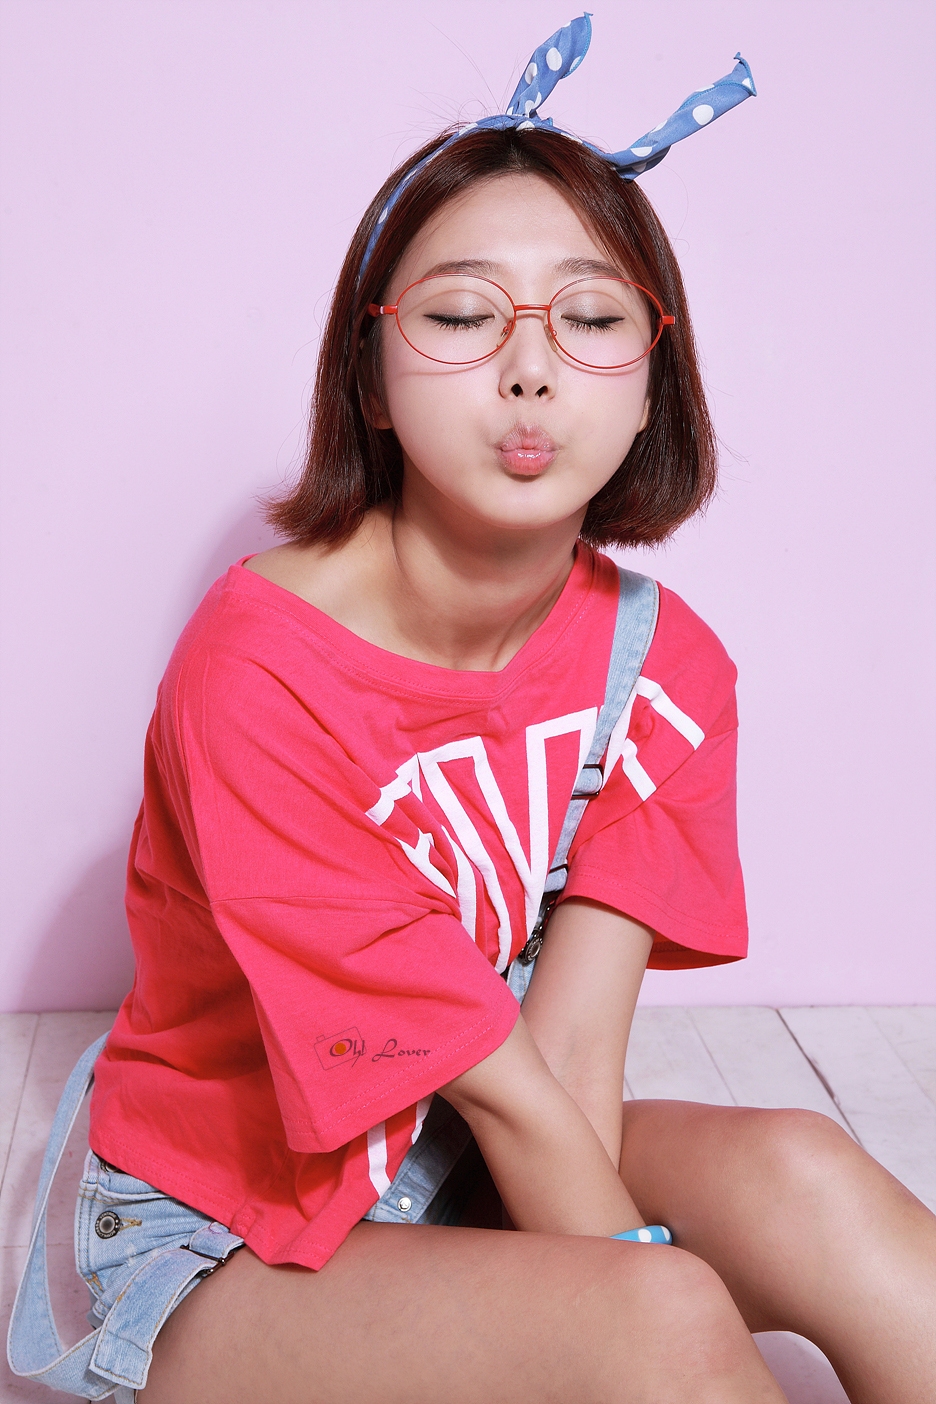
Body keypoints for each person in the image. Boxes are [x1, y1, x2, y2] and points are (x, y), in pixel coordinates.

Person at [8, 16, 936, 1404]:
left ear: (655, 379)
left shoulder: (660, 669)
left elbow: (567, 1065)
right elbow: (505, 1091)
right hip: (224, 1231)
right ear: (370, 377)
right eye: (459, 316)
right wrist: (627, 1300)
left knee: (806, 1174)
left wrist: (593, 1286)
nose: (530, 369)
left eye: (592, 319)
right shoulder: (260, 670)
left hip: (460, 1155)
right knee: (659, 1315)